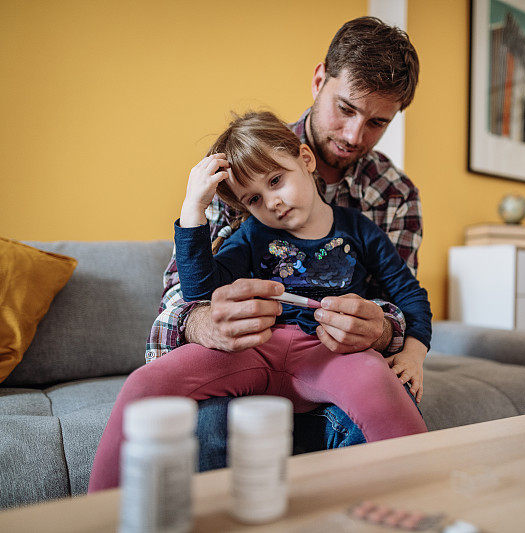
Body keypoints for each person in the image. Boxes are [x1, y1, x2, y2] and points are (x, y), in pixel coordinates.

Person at [88, 111, 431, 491]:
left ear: (305, 159)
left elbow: (410, 294)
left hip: (329, 353)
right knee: (144, 385)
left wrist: (413, 353)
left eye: (276, 181)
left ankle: (425, 500)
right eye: (254, 198)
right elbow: (201, 293)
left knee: (382, 387)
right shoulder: (252, 233)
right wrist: (192, 209)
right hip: (255, 348)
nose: (273, 203)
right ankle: (95, 514)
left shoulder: (359, 229)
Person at [145, 16, 423, 468]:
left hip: (337, 364)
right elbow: (181, 298)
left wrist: (385, 330)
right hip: (249, 360)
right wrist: (205, 324)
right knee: (209, 426)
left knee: (386, 425)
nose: (355, 136)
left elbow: (402, 302)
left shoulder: (395, 194)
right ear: (319, 80)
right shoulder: (243, 167)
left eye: (377, 122)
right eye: (346, 109)